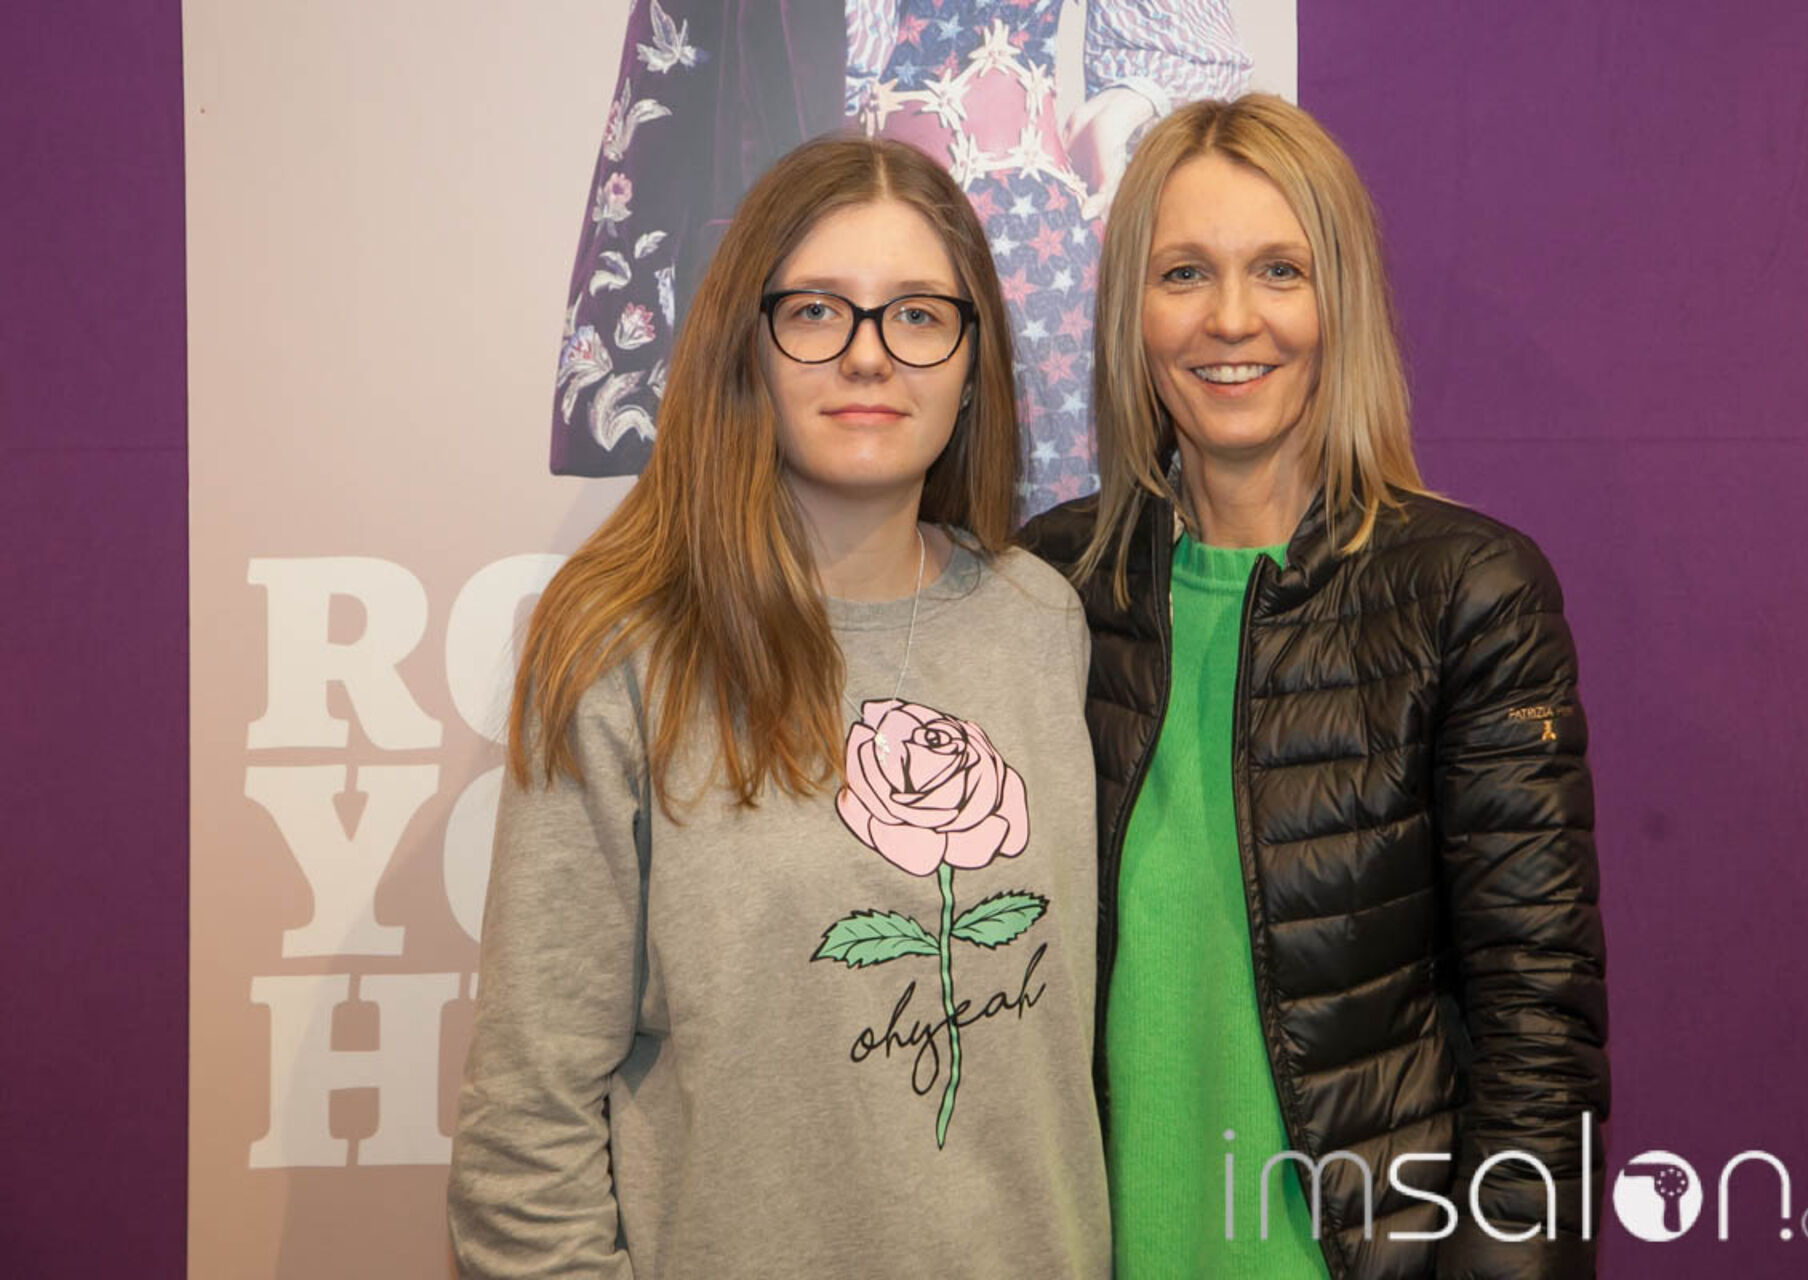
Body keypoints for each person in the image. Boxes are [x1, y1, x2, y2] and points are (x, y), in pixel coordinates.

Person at [451, 135, 1109, 1278]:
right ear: (746, 347)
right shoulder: (622, 651)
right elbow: (525, 1135)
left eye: (918, 314)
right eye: (816, 311)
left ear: (973, 363)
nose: (868, 354)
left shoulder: (1041, 621)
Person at [1022, 94, 1610, 1278]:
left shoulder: (1467, 591)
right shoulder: (1046, 587)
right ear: (1130, 311)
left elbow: (1537, 1030)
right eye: (1184, 272)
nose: (1232, 318)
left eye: (1279, 270)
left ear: (1338, 301)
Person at [551, 0, 1252, 519]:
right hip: (823, 252)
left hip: (1030, 259)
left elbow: (1179, 44)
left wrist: (1130, 101)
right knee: (813, 575)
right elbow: (686, 86)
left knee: (1031, 571)